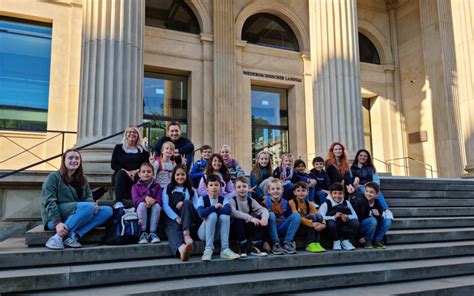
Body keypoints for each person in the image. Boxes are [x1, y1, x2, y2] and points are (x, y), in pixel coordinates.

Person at [42, 149, 113, 250]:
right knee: (88, 207)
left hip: (77, 215)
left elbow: (88, 197)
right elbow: (49, 201)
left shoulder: (83, 179)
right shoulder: (54, 177)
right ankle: (57, 238)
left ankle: (74, 235)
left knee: (107, 210)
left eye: (77, 158)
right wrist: (57, 223)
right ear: (64, 161)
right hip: (55, 218)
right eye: (70, 158)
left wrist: (93, 206)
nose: (74, 160)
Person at [197, 174, 240, 261]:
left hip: (217, 234)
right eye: (211, 185)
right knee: (212, 215)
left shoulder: (223, 199)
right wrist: (214, 207)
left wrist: (213, 209)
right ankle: (208, 249)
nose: (214, 187)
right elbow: (201, 213)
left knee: (225, 216)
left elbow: (228, 211)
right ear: (206, 187)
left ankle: (224, 249)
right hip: (203, 233)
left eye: (216, 185)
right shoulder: (202, 199)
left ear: (220, 188)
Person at [162, 164, 199, 261]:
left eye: (183, 174)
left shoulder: (192, 190)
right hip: (172, 216)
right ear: (173, 176)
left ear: (186, 176)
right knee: (173, 229)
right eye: (177, 175)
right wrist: (175, 217)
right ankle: (182, 249)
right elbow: (165, 205)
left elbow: (197, 206)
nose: (180, 177)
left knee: (187, 202)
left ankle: (186, 233)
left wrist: (184, 203)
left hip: (188, 217)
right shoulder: (168, 188)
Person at [230, 177, 269, 257]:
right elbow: (234, 213)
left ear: (248, 188)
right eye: (239, 187)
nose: (242, 189)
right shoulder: (232, 200)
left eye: (244, 186)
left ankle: (255, 246)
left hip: (246, 229)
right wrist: (250, 218)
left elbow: (263, 210)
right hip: (234, 230)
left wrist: (264, 218)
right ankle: (241, 247)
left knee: (260, 219)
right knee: (239, 220)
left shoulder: (250, 200)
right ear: (235, 189)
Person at [111, 126, 150, 206]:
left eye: (135, 132)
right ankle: (119, 202)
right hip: (121, 175)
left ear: (138, 135)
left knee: (140, 176)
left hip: (137, 174)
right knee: (121, 174)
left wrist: (137, 171)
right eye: (129, 132)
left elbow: (146, 164)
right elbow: (113, 164)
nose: (132, 134)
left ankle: (140, 202)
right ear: (126, 134)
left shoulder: (143, 150)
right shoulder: (118, 147)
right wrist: (126, 171)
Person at [263, 178, 301, 255]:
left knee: (296, 216)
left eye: (278, 188)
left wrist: (293, 239)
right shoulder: (264, 203)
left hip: (282, 227)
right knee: (271, 214)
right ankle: (275, 244)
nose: (275, 191)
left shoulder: (285, 203)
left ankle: (288, 242)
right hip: (270, 229)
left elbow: (291, 221)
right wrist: (264, 241)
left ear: (282, 190)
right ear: (269, 191)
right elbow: (261, 224)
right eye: (273, 189)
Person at [318, 182, 359, 251]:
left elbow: (355, 216)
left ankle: (345, 240)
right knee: (331, 223)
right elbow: (320, 216)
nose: (337, 196)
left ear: (343, 194)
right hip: (332, 227)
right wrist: (334, 217)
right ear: (330, 194)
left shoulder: (346, 203)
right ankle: (336, 240)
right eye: (335, 193)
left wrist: (347, 216)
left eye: (340, 193)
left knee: (355, 222)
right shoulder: (326, 203)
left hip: (343, 225)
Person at [351, 182, 392, 249]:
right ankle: (367, 241)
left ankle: (377, 240)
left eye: (371, 192)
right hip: (362, 228)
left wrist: (378, 215)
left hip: (373, 229)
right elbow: (355, 220)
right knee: (372, 220)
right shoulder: (360, 202)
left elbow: (379, 221)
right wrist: (360, 236)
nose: (368, 194)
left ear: (377, 194)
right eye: (366, 191)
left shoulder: (377, 203)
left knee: (387, 221)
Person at [289, 182, 326, 253]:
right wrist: (311, 223)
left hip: (308, 226)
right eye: (298, 191)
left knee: (318, 216)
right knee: (311, 216)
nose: (301, 193)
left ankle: (316, 243)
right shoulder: (292, 202)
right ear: (294, 192)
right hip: (297, 227)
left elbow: (318, 214)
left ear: (307, 192)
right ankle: (310, 244)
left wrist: (323, 224)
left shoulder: (309, 203)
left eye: (303, 190)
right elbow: (298, 217)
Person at [131, 162, 162, 244]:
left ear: (153, 173)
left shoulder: (157, 186)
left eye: (149, 172)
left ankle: (153, 233)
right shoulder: (135, 187)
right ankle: (143, 233)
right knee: (141, 204)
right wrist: (145, 198)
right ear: (139, 174)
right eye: (143, 172)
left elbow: (160, 199)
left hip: (153, 214)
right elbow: (135, 201)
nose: (146, 174)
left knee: (157, 206)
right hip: (141, 215)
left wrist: (153, 201)